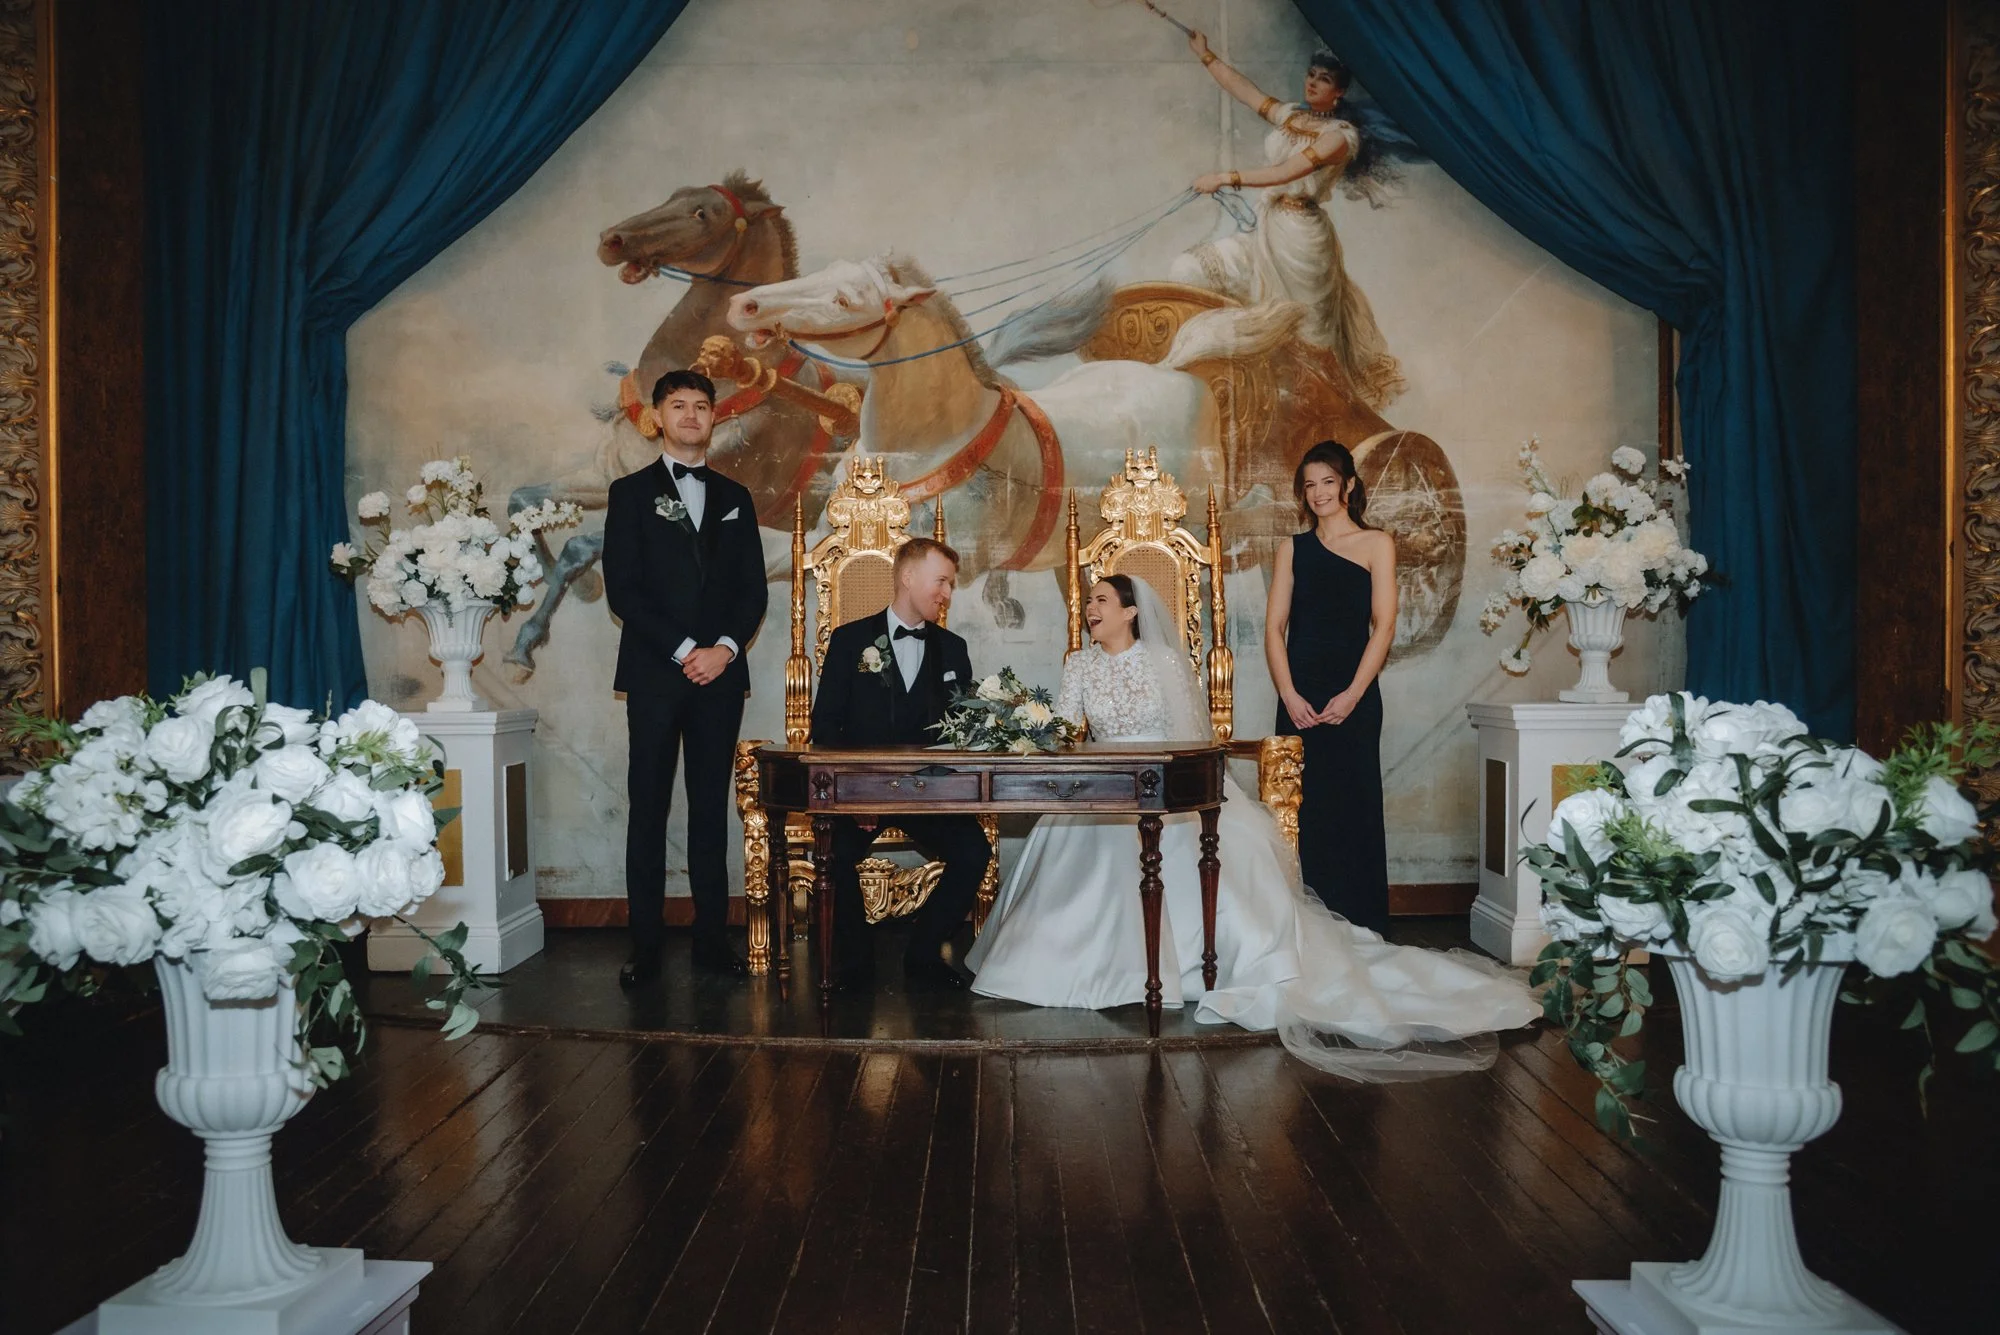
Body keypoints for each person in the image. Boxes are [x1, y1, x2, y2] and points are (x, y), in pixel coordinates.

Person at [966, 574, 1537, 1078]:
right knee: (1072, 846)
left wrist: (1172, 788)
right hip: (1102, 782)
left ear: (1131, 611)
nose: (1090, 609)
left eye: (1101, 600)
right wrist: (1027, 726)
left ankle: (1189, 965)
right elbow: (1068, 729)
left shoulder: (1163, 662)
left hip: (1162, 782)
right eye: (1088, 602)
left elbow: (1191, 735)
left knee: (1192, 857)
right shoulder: (1079, 663)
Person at [603, 369, 769, 989]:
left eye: (702, 406)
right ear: (658, 417)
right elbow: (625, 592)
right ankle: (644, 947)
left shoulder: (736, 497)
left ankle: (709, 939)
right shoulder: (629, 493)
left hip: (720, 678)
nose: (692, 416)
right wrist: (683, 651)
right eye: (680, 406)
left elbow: (752, 590)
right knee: (648, 808)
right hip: (653, 675)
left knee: (708, 810)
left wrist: (723, 649)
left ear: (714, 417)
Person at [1169, 36, 1404, 409]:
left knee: (1308, 341)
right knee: (1189, 269)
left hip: (1302, 242)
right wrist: (1205, 55)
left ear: (1340, 91)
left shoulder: (1341, 138)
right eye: (1311, 74)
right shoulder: (1294, 116)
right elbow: (1245, 91)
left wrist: (1224, 177)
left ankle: (1315, 415)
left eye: (1324, 79)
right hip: (1266, 227)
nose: (1312, 82)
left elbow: (1287, 171)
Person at [810, 538, 991, 991]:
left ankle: (923, 952)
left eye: (950, 584)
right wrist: (855, 795)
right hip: (861, 793)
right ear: (908, 577)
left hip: (928, 794)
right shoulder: (851, 641)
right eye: (942, 581)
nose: (947, 593)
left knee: (974, 853)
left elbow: (961, 731)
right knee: (835, 852)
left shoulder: (953, 649)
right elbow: (826, 726)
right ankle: (855, 961)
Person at [1268, 440, 1394, 933]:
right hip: (1299, 700)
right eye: (1309, 485)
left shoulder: (1377, 544)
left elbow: (1383, 626)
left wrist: (1353, 694)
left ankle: (1362, 928)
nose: (1318, 492)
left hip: (1355, 699)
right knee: (1305, 814)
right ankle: (1308, 930)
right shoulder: (1291, 549)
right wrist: (1289, 696)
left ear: (1348, 485)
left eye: (1327, 482)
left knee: (1355, 809)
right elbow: (1274, 629)